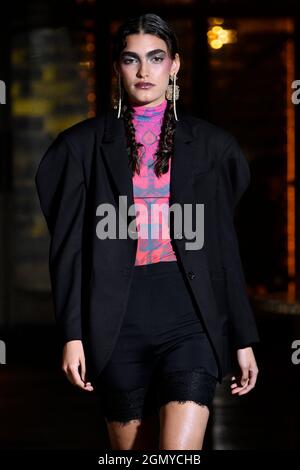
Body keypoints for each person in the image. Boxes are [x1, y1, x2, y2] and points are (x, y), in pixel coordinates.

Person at [35, 13, 259, 451]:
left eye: (156, 58)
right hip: (115, 321)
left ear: (174, 65)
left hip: (189, 315)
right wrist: (72, 333)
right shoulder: (80, 148)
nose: (143, 71)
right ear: (116, 67)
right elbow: (69, 253)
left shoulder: (212, 147)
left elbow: (222, 250)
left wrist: (243, 338)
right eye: (131, 59)